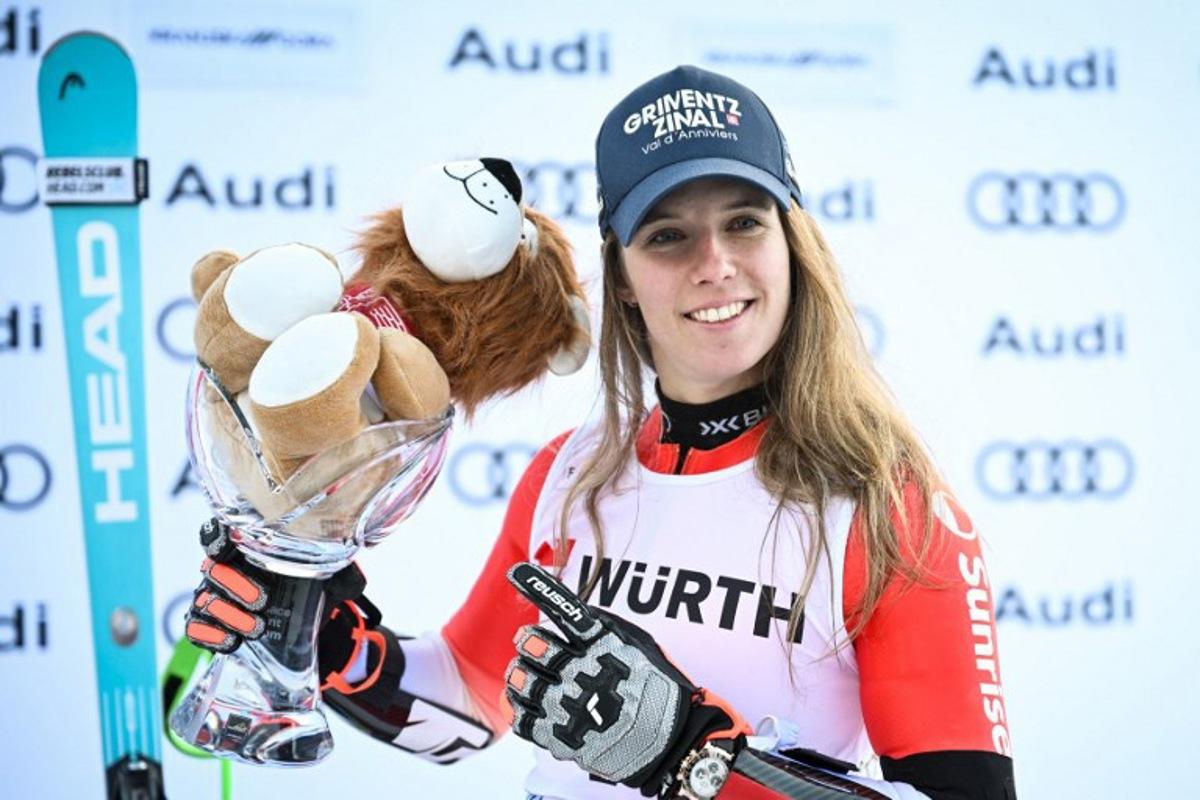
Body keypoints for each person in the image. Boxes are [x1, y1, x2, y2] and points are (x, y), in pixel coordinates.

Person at [186, 65, 1017, 800]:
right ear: (619, 276)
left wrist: (688, 755)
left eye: (744, 222)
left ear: (793, 244)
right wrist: (327, 637)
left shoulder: (889, 508)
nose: (714, 263)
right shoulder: (571, 473)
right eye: (668, 235)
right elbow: (467, 702)